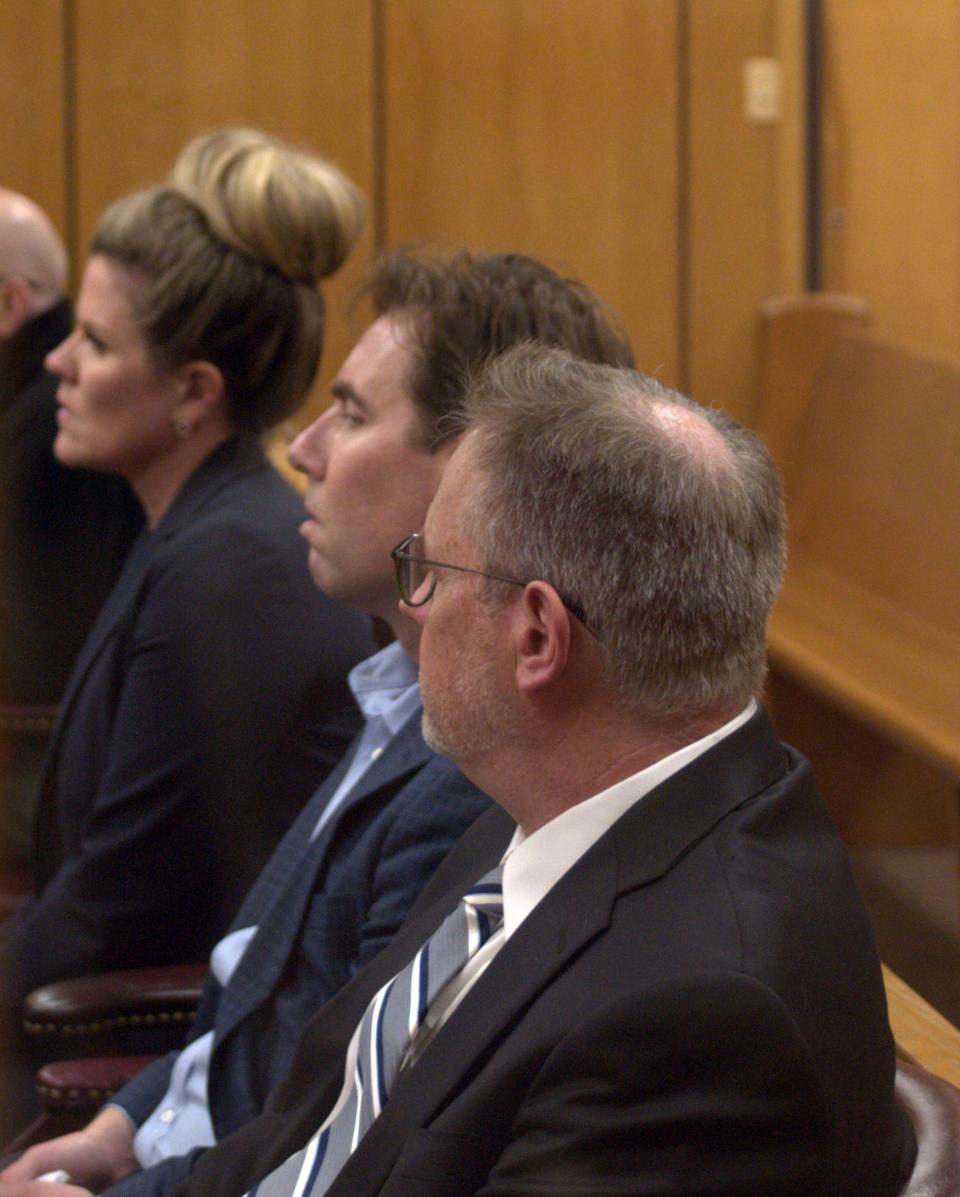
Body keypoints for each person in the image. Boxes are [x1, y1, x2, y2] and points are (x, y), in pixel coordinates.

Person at [88, 343, 914, 1197]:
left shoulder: (696, 1018)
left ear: (535, 637)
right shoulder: (549, 803)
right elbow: (306, 1134)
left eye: (429, 570)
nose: (411, 606)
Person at [0, 252, 636, 1194]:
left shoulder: (476, 772)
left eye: (353, 413)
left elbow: (325, 1134)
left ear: (470, 477)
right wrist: (121, 1127)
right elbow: (251, 1002)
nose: (303, 450)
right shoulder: (392, 692)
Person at [0, 130, 375, 1008]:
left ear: (192, 391)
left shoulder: (231, 568)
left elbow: (117, 906)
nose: (56, 360)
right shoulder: (198, 528)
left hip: (158, 1050)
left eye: (94, 342)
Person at [0, 189, 142, 864]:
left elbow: (37, 646)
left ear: (10, 304)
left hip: (44, 768)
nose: (69, 361)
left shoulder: (52, 433)